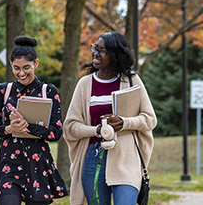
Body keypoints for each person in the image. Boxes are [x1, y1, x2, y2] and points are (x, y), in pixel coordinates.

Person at [62, 31, 157, 205]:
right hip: (93, 156)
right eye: (95, 48)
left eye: (102, 51)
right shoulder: (85, 84)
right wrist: (97, 130)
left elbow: (150, 119)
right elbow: (70, 127)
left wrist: (124, 122)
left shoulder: (132, 80)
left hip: (125, 157)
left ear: (115, 55)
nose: (95, 54)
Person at [0, 36, 67, 205]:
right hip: (9, 165)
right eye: (16, 68)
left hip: (38, 165)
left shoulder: (48, 91)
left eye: (26, 68)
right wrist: (10, 129)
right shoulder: (3, 91)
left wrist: (28, 127)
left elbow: (56, 132)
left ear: (35, 63)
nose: (21, 73)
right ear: (11, 65)